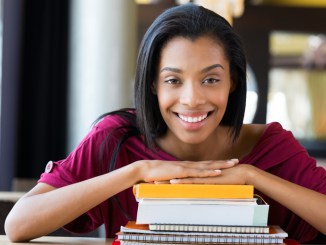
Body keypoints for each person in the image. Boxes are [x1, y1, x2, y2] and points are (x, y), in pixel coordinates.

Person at [4, 3, 326, 244]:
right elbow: (18, 225)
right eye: (173, 80)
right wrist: (138, 171)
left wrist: (251, 175)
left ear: (233, 82)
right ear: (153, 85)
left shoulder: (270, 145)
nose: (192, 99)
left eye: (211, 79)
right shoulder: (116, 138)